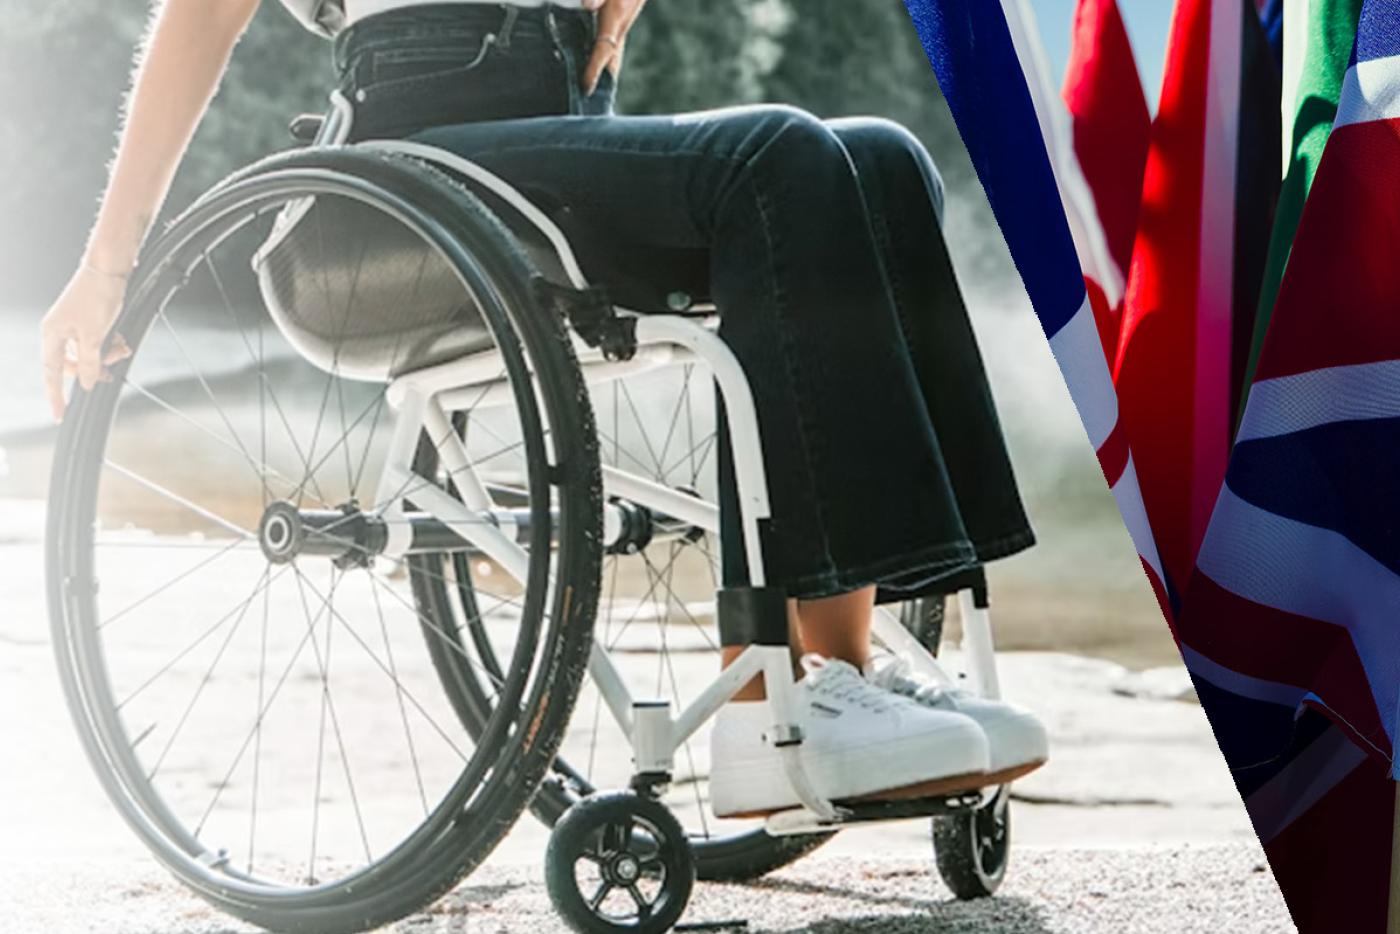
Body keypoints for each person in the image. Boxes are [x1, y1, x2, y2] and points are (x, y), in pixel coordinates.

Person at [39, 0, 1047, 818]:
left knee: (878, 160)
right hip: (406, 155)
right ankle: (766, 700)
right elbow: (200, 17)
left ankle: (841, 668)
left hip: (548, 122)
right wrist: (106, 263)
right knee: (777, 155)